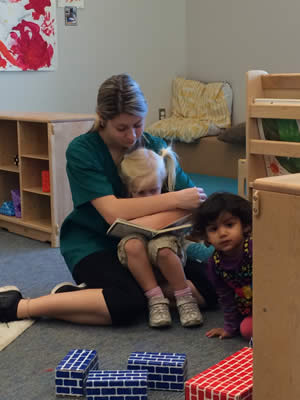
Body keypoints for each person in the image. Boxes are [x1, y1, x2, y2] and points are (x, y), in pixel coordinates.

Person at [0, 73, 217, 326]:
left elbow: (195, 204)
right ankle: (22, 306)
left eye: (138, 124)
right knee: (127, 304)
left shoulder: (155, 146)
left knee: (212, 286)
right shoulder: (83, 150)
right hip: (94, 243)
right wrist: (175, 199)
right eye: (122, 128)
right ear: (102, 120)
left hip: (152, 243)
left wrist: (178, 204)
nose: (132, 136)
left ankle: (130, 293)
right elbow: (114, 213)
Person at [117, 146, 203, 328]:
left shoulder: (170, 198)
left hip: (168, 252)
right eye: (140, 192)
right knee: (131, 245)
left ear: (161, 183)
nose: (148, 197)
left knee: (163, 249)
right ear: (128, 188)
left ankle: (185, 298)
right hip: (138, 259)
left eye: (153, 190)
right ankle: (156, 300)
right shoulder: (124, 202)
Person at [192, 192, 252, 340]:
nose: (222, 233)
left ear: (244, 226)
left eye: (229, 225)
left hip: (277, 303)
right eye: (213, 229)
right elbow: (225, 297)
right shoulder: (215, 264)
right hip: (250, 309)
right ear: (206, 237)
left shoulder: (252, 249)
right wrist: (230, 327)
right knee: (246, 331)